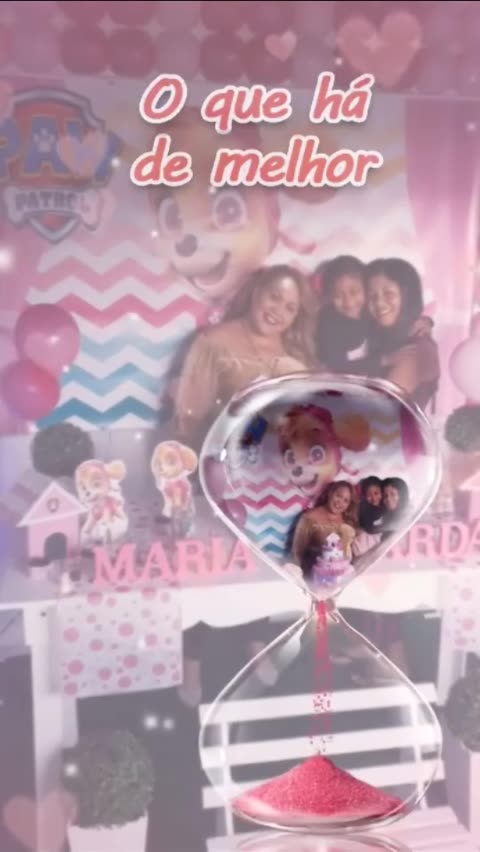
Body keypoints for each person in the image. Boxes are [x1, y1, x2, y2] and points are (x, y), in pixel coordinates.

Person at [175, 264, 316, 450]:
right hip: (222, 456)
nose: (278, 311)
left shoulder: (296, 357)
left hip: (281, 461)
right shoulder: (214, 342)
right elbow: (188, 419)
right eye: (274, 297)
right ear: (257, 292)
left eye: (290, 308)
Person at [365, 258, 440, 409]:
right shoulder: (384, 339)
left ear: (408, 296)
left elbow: (376, 410)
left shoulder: (416, 351)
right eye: (372, 296)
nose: (379, 303)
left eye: (389, 294)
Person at [314, 255, 372, 374]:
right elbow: (338, 368)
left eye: (354, 292)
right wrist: (383, 360)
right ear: (329, 297)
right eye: (338, 296)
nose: (348, 303)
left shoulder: (372, 311)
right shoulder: (328, 323)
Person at [291, 480, 357, 580]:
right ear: (330, 493)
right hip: (316, 578)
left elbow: (350, 552)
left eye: (346, 500)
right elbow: (297, 553)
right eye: (338, 496)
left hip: (343, 577)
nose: (340, 502)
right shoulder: (309, 518)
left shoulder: (348, 521)